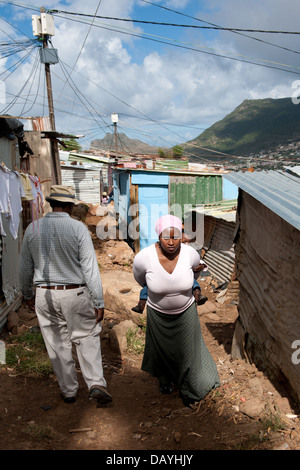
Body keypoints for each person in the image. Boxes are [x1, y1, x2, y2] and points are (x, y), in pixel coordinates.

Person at [19, 185, 112, 406]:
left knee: (57, 343)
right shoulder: (78, 229)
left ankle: (69, 391)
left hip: (45, 294)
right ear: (70, 206)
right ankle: (96, 383)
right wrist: (98, 300)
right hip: (75, 293)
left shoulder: (33, 228)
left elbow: (24, 267)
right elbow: (90, 268)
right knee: (86, 338)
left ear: (51, 204)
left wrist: (28, 294)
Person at [133, 214, 220, 406]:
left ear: (182, 235)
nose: (171, 242)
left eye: (176, 237)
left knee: (187, 351)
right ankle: (164, 381)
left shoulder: (190, 254)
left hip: (186, 312)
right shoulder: (144, 257)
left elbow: (195, 272)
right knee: (162, 350)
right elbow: (141, 280)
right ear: (158, 237)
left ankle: (188, 386)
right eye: (166, 237)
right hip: (158, 314)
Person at [131, 229, 207, 314]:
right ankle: (141, 304)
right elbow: (140, 276)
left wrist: (201, 266)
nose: (186, 244)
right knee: (147, 286)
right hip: (157, 308)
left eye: (188, 242)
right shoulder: (150, 253)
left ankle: (198, 295)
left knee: (193, 282)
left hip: (185, 280)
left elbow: (198, 263)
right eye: (184, 242)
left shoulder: (189, 251)